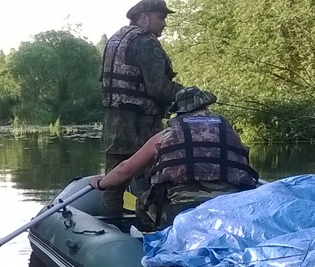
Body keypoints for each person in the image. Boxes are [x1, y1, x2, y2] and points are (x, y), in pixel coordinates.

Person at [89, 87, 259, 229]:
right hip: (230, 208)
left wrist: (101, 183)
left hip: (181, 212)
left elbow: (124, 170)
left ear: (180, 111)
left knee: (143, 202)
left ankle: (149, 240)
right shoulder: (228, 131)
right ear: (205, 106)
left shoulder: (167, 135)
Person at [98, 0, 184, 215]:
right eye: (160, 18)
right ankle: (147, 226)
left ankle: (111, 223)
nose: (164, 24)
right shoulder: (146, 42)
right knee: (150, 179)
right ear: (144, 18)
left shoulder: (116, 39)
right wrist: (188, 95)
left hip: (113, 124)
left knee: (113, 183)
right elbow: (158, 87)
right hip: (141, 124)